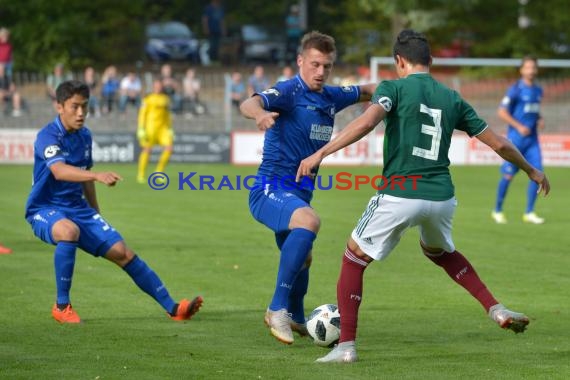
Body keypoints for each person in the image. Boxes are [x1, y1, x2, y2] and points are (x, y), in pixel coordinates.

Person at [296, 29, 550, 363]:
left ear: (398, 61)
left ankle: (346, 347)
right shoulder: (452, 97)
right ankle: (496, 309)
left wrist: (320, 154)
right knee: (440, 252)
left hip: (400, 193)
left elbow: (366, 123)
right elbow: (499, 142)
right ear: (430, 61)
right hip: (442, 197)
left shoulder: (393, 87)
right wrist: (531, 170)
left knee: (353, 257)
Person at [24, 80, 202, 324]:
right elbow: (60, 171)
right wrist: (97, 175)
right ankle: (62, 306)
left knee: (123, 252)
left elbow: (84, 178)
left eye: (84, 107)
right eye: (75, 107)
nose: (81, 113)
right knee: (68, 231)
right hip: (44, 208)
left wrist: (96, 214)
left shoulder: (85, 135)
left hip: (79, 210)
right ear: (59, 106)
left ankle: (174, 308)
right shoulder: (48, 136)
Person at [239, 31, 376, 345]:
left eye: (326, 66)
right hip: (268, 190)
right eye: (314, 64)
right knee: (310, 221)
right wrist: (260, 114)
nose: (320, 72)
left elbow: (369, 90)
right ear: (301, 61)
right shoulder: (289, 91)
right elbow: (251, 102)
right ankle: (277, 309)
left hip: (298, 193)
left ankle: (299, 318)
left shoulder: (331, 96)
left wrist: (401, 88)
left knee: (305, 258)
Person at [492, 56, 545, 224]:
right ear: (521, 70)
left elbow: (532, 111)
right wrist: (519, 126)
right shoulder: (515, 89)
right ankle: (497, 210)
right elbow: (501, 112)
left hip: (532, 141)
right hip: (516, 141)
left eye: (533, 67)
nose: (531, 70)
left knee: (538, 174)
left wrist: (539, 118)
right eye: (528, 67)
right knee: (508, 176)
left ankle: (529, 212)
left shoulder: (538, 90)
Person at [137, 79, 174, 184]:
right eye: (156, 86)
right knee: (147, 150)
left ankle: (159, 171)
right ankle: (141, 174)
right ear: (153, 87)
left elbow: (167, 115)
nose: (158, 88)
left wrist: (170, 128)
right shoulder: (148, 99)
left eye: (159, 86)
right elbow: (142, 114)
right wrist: (141, 128)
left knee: (169, 148)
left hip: (163, 129)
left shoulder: (165, 99)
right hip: (150, 128)